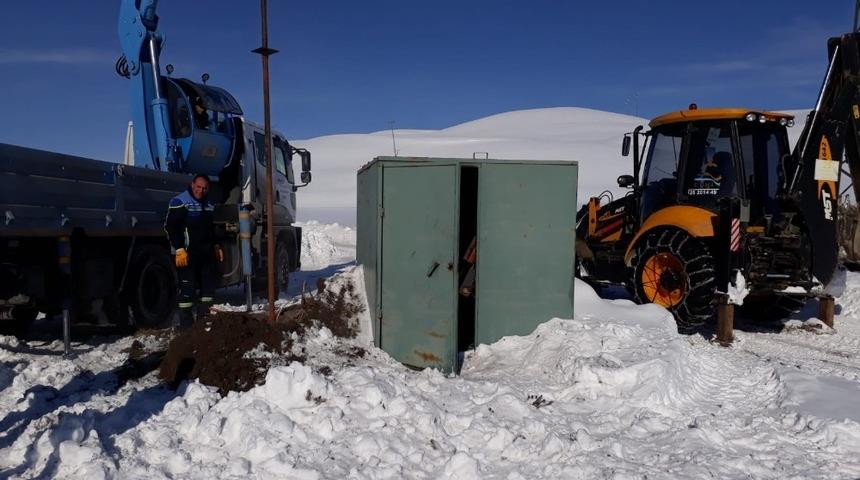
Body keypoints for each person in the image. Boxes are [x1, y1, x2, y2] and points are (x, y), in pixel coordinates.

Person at [164, 174, 223, 327]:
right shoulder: (180, 202)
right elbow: (172, 227)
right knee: (187, 292)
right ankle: (187, 329)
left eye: (204, 188)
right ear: (192, 185)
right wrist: (179, 248)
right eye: (198, 187)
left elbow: (211, 228)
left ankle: (204, 324)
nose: (201, 191)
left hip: (205, 254)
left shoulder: (208, 204)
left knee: (208, 291)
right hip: (186, 254)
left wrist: (216, 245)